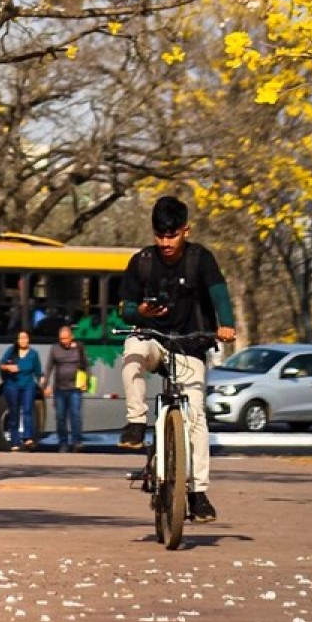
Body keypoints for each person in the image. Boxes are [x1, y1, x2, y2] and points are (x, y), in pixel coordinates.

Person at [117, 193, 236, 523]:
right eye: (159, 235)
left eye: (171, 235)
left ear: (186, 230)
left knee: (196, 415)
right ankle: (136, 422)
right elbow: (125, 308)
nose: (165, 242)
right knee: (132, 351)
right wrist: (138, 311)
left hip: (190, 344)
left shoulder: (201, 259)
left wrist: (226, 325)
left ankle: (197, 492)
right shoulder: (141, 261)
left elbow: (219, 294)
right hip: (153, 340)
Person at [42, 322, 88, 451]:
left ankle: (77, 442)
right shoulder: (55, 349)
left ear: (71, 337)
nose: (63, 341)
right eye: (61, 339)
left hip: (75, 389)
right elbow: (49, 367)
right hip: (60, 390)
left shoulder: (79, 347)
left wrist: (86, 381)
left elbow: (85, 366)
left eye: (65, 338)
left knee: (75, 416)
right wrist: (45, 385)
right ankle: (63, 443)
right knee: (61, 417)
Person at [0, 327, 42, 450]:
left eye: (26, 338)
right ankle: (15, 442)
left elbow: (37, 371)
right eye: (21, 338)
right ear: (17, 340)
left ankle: (27, 438)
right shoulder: (11, 351)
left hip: (28, 385)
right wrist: (9, 367)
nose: (24, 340)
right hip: (12, 386)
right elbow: (2, 365)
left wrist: (42, 379)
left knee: (28, 410)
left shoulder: (33, 354)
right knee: (14, 412)